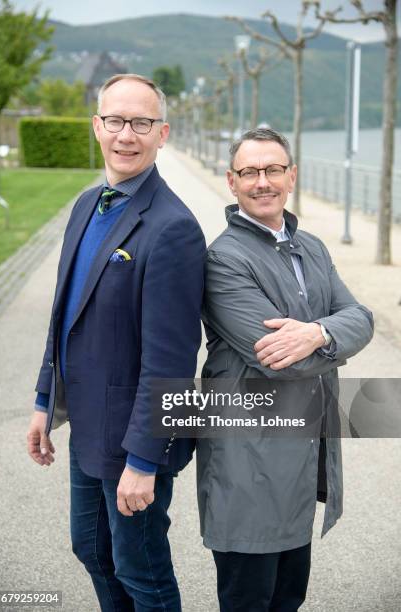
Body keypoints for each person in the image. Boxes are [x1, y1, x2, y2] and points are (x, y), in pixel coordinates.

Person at [27, 73, 206, 612]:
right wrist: (44, 400)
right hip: (87, 425)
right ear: (97, 126)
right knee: (92, 551)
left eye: (142, 123)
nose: (126, 134)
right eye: (115, 121)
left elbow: (171, 360)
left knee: (141, 569)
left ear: (163, 133)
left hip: (133, 441)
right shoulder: (86, 205)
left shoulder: (173, 227)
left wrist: (145, 461)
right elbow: (65, 316)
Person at [197, 127, 374, 612]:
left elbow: (361, 317)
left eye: (273, 169)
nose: (262, 182)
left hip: (299, 455)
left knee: (288, 598)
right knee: (249, 599)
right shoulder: (222, 259)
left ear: (291, 176)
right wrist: (333, 331)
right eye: (249, 172)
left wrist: (318, 333)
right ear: (231, 182)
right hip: (246, 461)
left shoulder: (311, 246)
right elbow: (275, 358)